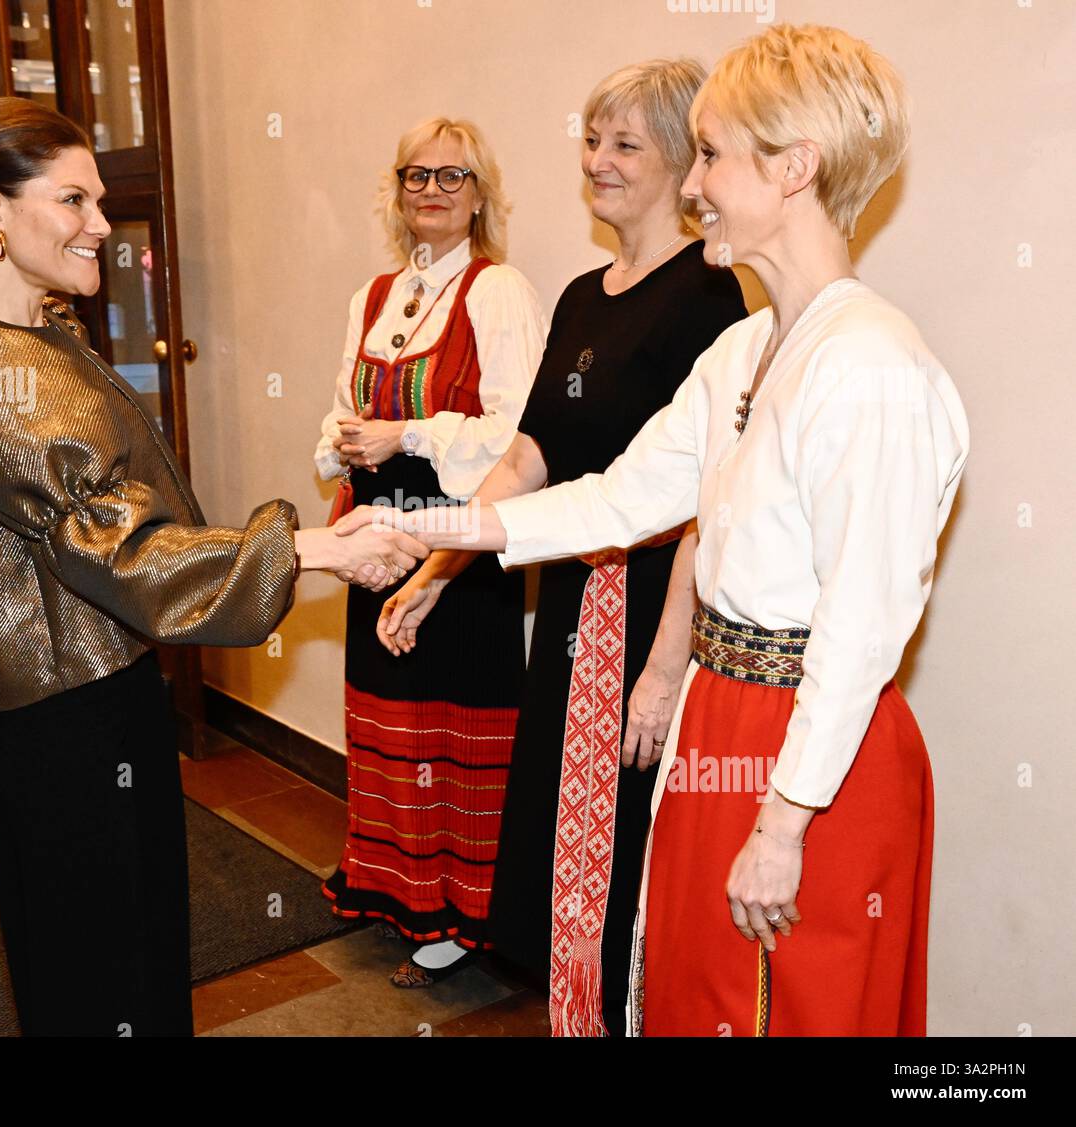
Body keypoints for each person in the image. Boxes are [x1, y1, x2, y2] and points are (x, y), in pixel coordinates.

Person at [337, 24, 969, 1035]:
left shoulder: (872, 367)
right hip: (719, 715)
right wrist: (422, 530)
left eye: (710, 156)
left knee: (791, 1003)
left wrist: (786, 817)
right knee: (688, 985)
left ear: (793, 167)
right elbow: (617, 498)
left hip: (812, 745)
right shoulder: (748, 347)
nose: (691, 186)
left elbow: (862, 625)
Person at [0, 97, 426, 1036]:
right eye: (73, 200)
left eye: (97, 200)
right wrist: (310, 546)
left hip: (108, 689)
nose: (101, 225)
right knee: (93, 968)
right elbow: (116, 542)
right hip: (56, 721)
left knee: (139, 951)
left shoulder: (42, 334)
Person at [371, 62, 745, 1033]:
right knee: (563, 834)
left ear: (680, 162)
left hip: (660, 606)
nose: (599, 162)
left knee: (637, 840)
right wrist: (435, 565)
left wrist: (664, 666)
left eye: (626, 144)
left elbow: (712, 493)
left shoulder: (708, 296)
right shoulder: (583, 293)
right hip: (580, 599)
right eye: (592, 140)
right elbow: (529, 453)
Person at [314, 117, 545, 985]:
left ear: (480, 194)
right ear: (397, 189)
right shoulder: (373, 296)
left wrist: (403, 430)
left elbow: (519, 432)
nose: (433, 192)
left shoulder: (498, 291)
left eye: (453, 177)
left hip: (458, 539)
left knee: (455, 724)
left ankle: (460, 912)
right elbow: (341, 405)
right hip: (377, 532)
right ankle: (395, 885)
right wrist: (344, 442)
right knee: (387, 715)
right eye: (417, 176)